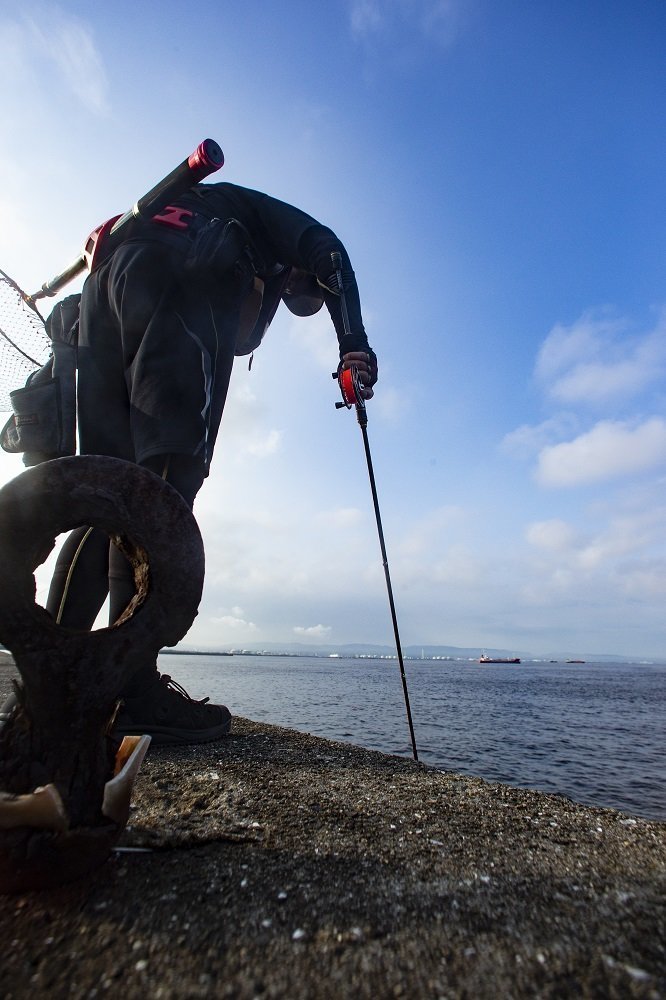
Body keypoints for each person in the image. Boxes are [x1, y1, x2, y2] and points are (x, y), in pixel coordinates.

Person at [42, 180, 378, 745]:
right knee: (159, 490)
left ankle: (50, 677)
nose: (294, 294)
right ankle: (132, 690)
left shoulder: (201, 211)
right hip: (176, 287)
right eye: (301, 289)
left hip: (109, 287)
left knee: (106, 491)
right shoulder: (272, 226)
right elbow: (332, 252)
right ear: (297, 270)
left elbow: (244, 332)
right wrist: (353, 344)